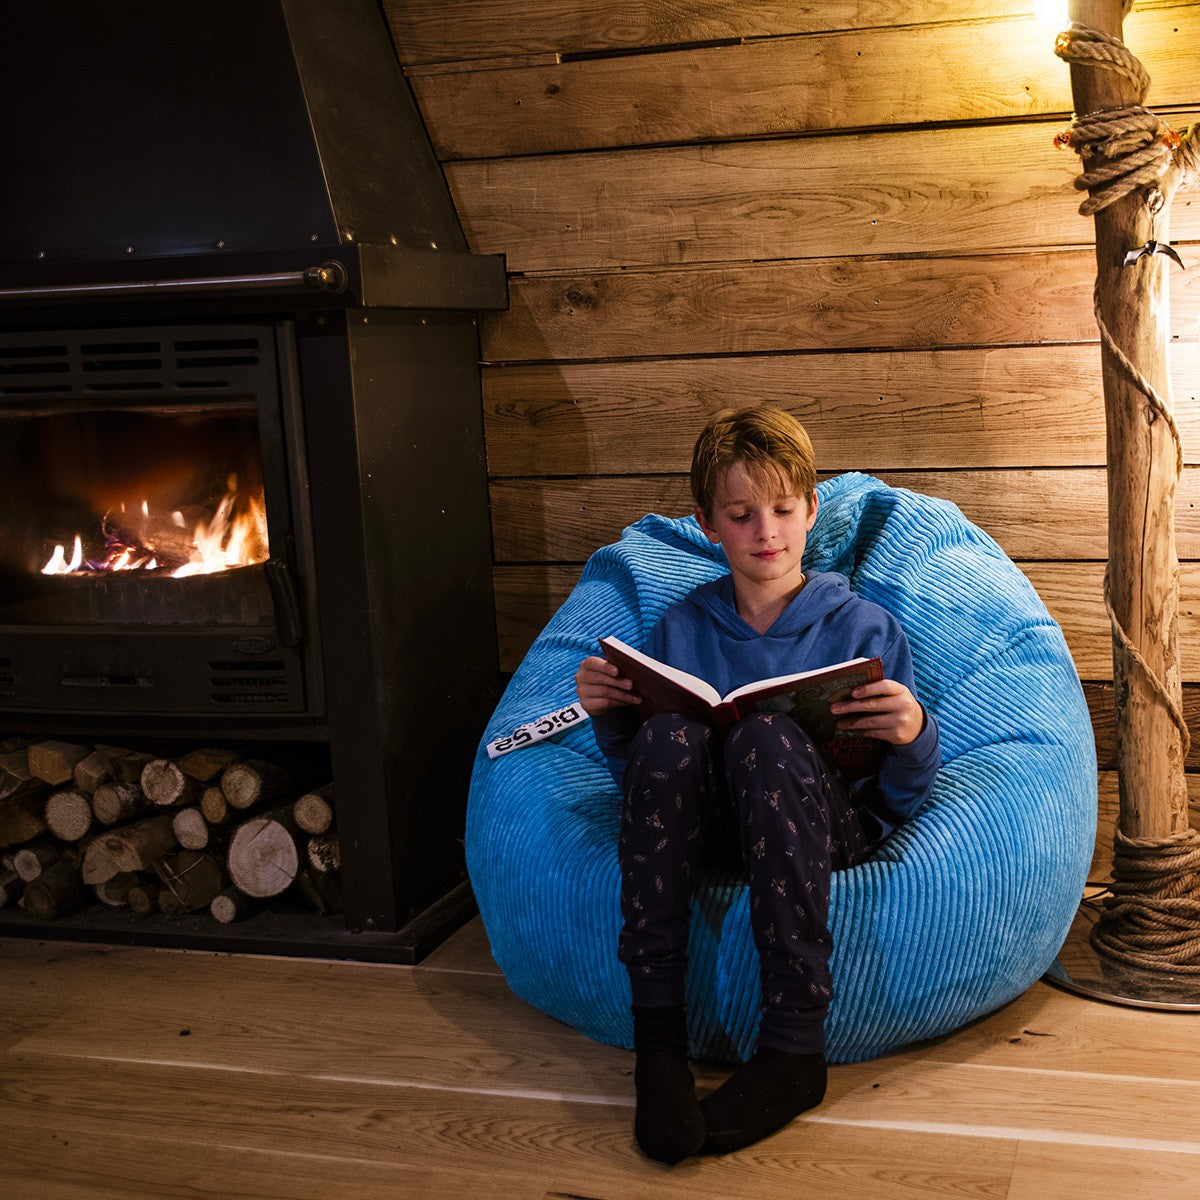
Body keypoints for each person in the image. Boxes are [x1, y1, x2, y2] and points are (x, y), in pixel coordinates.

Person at [574, 405, 940, 1162]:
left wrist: (913, 733)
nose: (766, 532)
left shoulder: (864, 629)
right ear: (710, 525)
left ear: (811, 511)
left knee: (767, 738)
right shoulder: (682, 628)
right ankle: (660, 1045)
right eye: (742, 516)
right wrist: (612, 717)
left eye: (781, 510)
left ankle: (793, 1047)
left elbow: (900, 802)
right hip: (711, 830)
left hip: (821, 829)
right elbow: (643, 790)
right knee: (673, 735)